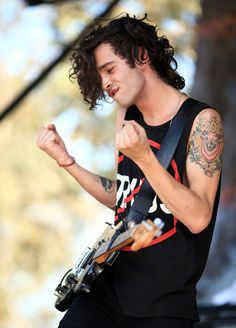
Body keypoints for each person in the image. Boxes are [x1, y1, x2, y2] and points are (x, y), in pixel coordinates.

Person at [37, 14, 224, 328]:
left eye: (110, 69)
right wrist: (67, 161)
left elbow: (198, 217)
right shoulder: (126, 114)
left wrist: (146, 158)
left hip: (162, 304)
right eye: (100, 77)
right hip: (106, 287)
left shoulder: (203, 121)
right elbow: (125, 199)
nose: (106, 83)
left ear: (141, 55)